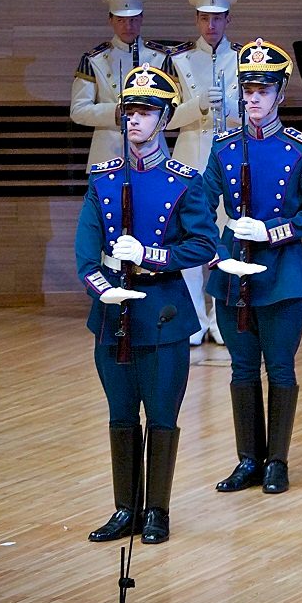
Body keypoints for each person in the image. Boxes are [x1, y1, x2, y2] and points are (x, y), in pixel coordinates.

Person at [75, 65, 218, 544]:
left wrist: (154, 255)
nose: (134, 120)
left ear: (163, 118)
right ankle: (123, 510)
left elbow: (204, 244)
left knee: (160, 415)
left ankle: (156, 511)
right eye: (129, 111)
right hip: (114, 315)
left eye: (145, 112)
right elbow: (84, 252)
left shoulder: (184, 180)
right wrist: (102, 289)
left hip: (163, 314)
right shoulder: (103, 179)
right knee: (120, 414)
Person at [205, 39, 302, 496]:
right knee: (241, 369)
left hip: (280, 273)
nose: (254, 99)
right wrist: (211, 245)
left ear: (280, 94)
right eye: (248, 91)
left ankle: (277, 460)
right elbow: (199, 204)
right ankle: (247, 459)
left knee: (280, 368)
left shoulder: (301, 150)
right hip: (232, 272)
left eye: (264, 91)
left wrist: (274, 231)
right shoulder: (223, 147)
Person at [166, 0, 241, 346]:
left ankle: (220, 318)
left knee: (226, 236)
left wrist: (229, 106)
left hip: (228, 155)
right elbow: (162, 119)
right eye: (205, 18)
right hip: (189, 153)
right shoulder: (176, 60)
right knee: (188, 236)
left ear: (227, 19)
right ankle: (194, 319)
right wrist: (195, 104)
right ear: (196, 19)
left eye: (217, 18)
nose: (211, 25)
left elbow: (260, 109)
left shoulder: (243, 58)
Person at [72, 0, 177, 166]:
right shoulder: (94, 59)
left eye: (133, 20)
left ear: (142, 19)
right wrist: (115, 111)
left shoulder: (160, 57)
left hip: (153, 153)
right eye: (121, 20)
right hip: (108, 152)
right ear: (110, 20)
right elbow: (78, 110)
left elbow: (174, 107)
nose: (128, 26)